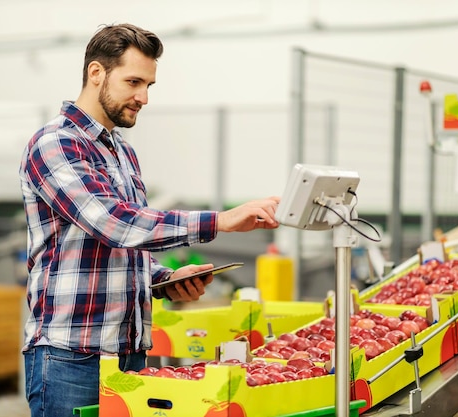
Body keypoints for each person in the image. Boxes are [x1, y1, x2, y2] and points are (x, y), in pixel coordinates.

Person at [18, 22, 280, 417]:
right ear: (96, 73)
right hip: (70, 359)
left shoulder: (122, 152)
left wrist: (161, 280)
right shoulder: (55, 143)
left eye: (149, 86)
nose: (143, 97)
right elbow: (115, 224)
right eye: (134, 82)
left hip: (130, 355)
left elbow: (120, 245)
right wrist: (221, 221)